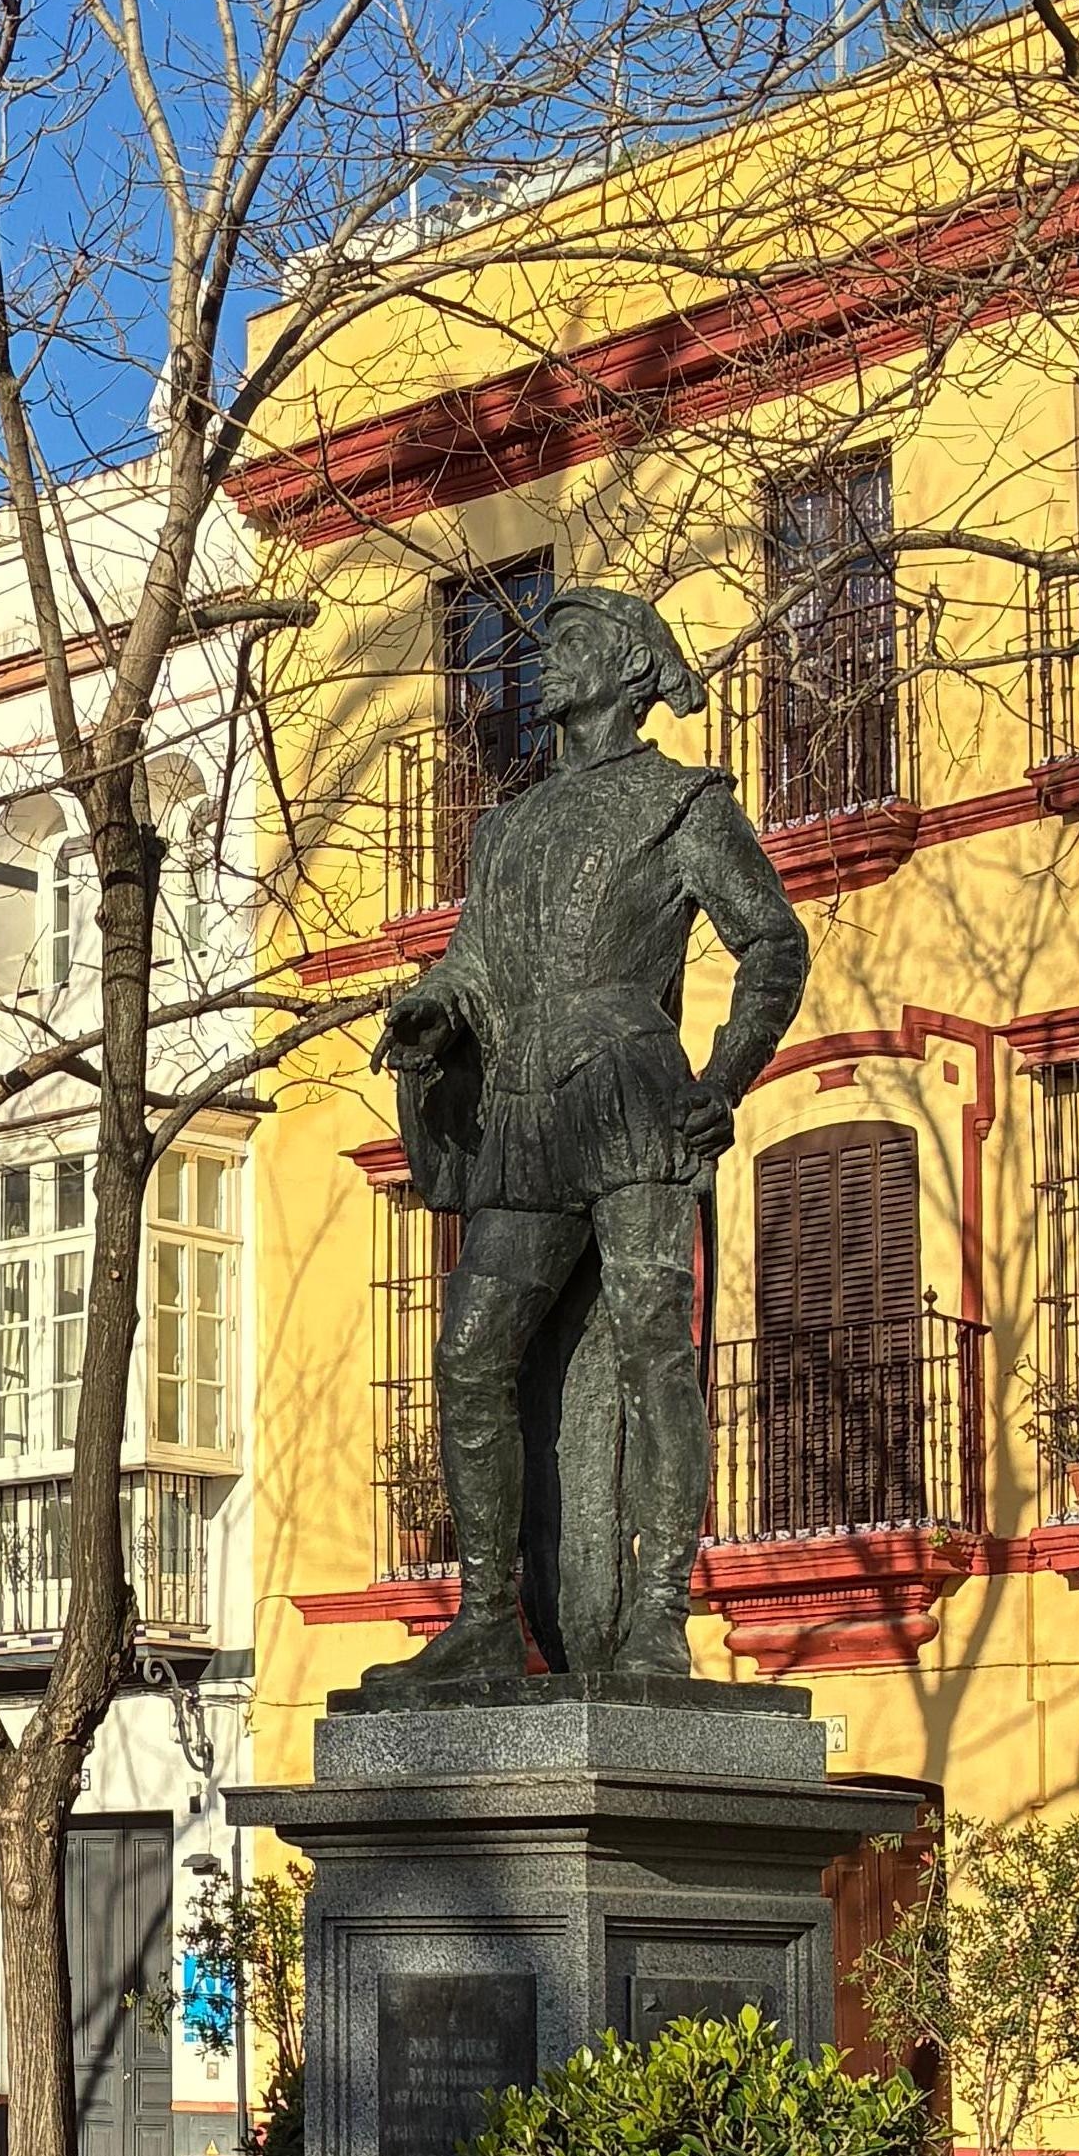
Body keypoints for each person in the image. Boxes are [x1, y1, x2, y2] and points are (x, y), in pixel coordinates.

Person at [368, 579, 808, 1692]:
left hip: (630, 1095)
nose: (546, 657)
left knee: (657, 1340)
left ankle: (658, 1613)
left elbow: (772, 943)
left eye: (570, 641)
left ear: (628, 668)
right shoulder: (506, 829)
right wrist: (435, 1010)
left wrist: (727, 1074)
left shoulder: (681, 801)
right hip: (524, 1108)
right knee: (470, 1352)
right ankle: (485, 1615)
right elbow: (476, 962)